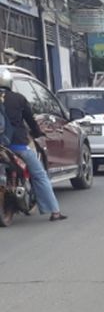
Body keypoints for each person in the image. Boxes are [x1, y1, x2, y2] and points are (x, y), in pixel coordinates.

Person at [0, 69, 65, 221]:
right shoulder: (18, 99)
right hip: (17, 146)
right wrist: (37, 133)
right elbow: (31, 121)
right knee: (40, 175)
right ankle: (54, 211)